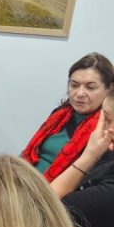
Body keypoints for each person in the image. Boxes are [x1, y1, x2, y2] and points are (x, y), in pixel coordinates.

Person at [22, 52, 114, 180]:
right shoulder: (60, 114)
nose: (79, 93)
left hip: (53, 189)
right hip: (26, 177)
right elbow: (30, 152)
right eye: (74, 85)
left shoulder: (107, 129)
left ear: (110, 88)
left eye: (90, 87)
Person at [49, 89, 114, 227]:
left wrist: (88, 156)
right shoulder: (108, 156)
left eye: (107, 120)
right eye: (105, 119)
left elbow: (45, 207)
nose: (106, 129)